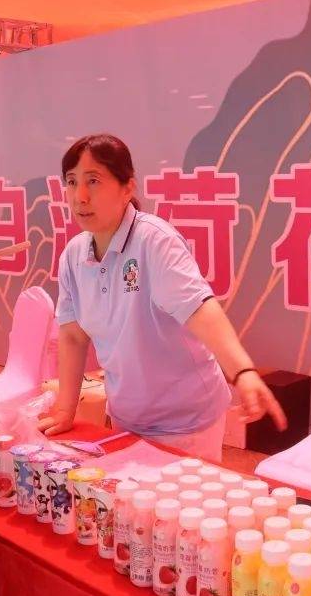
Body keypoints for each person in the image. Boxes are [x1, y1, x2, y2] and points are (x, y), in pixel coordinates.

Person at [37, 134, 286, 462]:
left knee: (182, 496)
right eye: (71, 182)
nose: (80, 196)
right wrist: (66, 409)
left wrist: (243, 371)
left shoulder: (154, 241)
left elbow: (199, 310)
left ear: (127, 188)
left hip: (185, 421)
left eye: (93, 181)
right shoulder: (73, 255)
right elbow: (72, 335)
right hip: (127, 415)